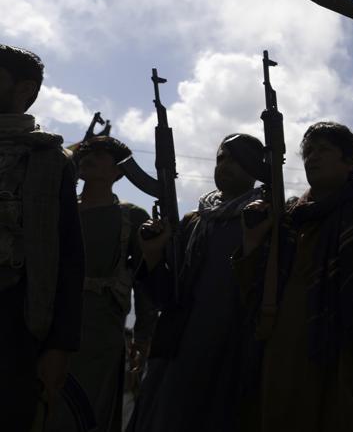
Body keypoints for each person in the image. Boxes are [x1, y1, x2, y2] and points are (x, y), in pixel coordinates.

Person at [234, 122, 353, 432]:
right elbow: (251, 292)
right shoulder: (285, 220)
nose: (312, 158)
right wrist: (251, 241)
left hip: (344, 365)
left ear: (350, 162)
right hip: (279, 364)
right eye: (309, 151)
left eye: (324, 150)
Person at [129, 133, 264, 432]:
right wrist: (152, 254)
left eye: (236, 158)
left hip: (233, 350)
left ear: (257, 167)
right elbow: (167, 295)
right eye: (221, 158)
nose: (225, 165)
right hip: (179, 352)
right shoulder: (194, 220)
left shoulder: (267, 218)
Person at [46, 136, 156, 432]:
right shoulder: (56, 208)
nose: (89, 157)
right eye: (85, 152)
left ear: (119, 170)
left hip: (98, 333)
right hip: (45, 322)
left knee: (86, 413)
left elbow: (144, 283)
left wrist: (143, 339)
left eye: (100, 153)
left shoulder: (131, 217)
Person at [0, 44, 84, 431]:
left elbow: (69, 257)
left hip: (16, 323)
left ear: (23, 90)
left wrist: (58, 346)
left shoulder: (50, 159)